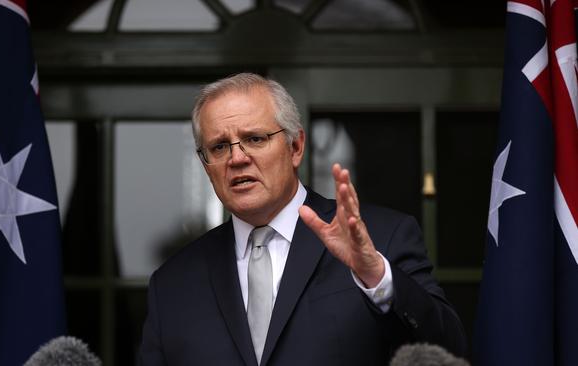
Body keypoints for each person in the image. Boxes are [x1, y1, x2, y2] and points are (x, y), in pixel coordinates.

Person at [138, 73, 466, 366]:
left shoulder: (383, 237)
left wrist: (376, 276)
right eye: (220, 146)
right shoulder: (172, 285)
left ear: (295, 147)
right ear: (206, 163)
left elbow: (450, 350)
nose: (237, 158)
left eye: (255, 139)